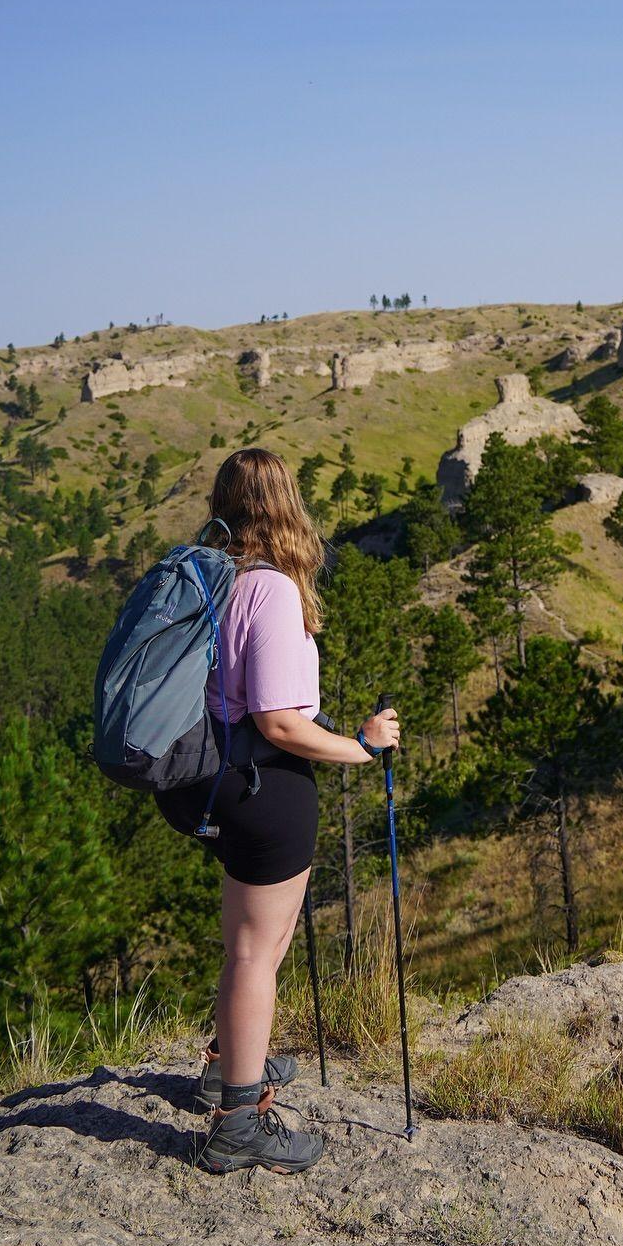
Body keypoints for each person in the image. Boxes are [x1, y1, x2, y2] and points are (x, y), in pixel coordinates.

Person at [156, 448, 401, 1175]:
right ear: (287, 504)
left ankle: (228, 1060)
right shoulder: (270, 591)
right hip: (263, 784)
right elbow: (281, 722)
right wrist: (362, 745)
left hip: (204, 775)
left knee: (247, 943)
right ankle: (237, 1119)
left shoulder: (209, 573)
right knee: (257, 951)